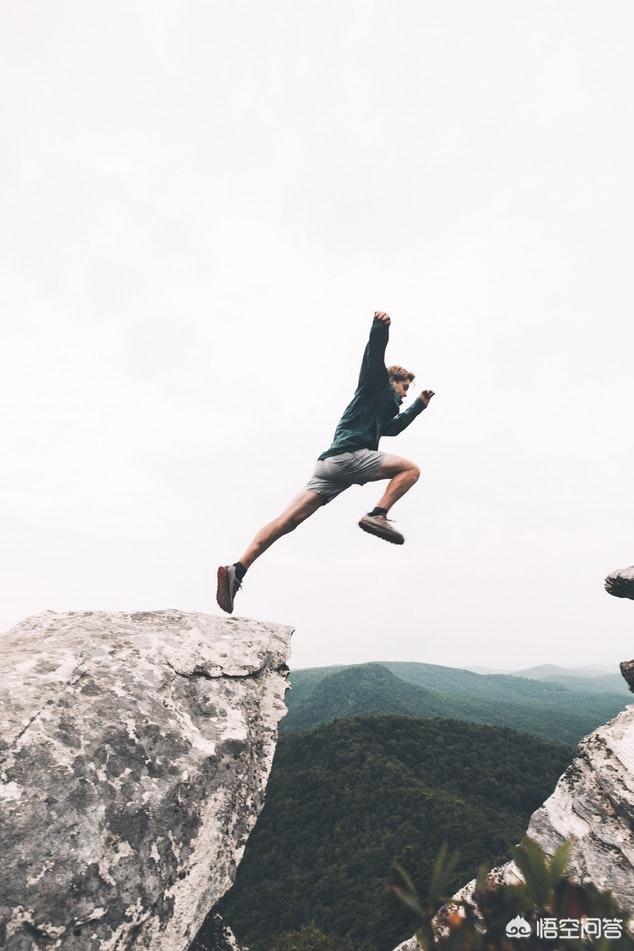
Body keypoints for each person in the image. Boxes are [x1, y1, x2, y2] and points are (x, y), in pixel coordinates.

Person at [216, 311, 434, 614]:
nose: (404, 395)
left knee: (286, 522)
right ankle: (378, 514)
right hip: (350, 457)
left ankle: (237, 569)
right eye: (404, 389)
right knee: (410, 470)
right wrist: (379, 329)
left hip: (329, 466)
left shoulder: (380, 412)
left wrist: (418, 407)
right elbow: (373, 359)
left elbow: (393, 428)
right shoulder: (374, 387)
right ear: (392, 381)